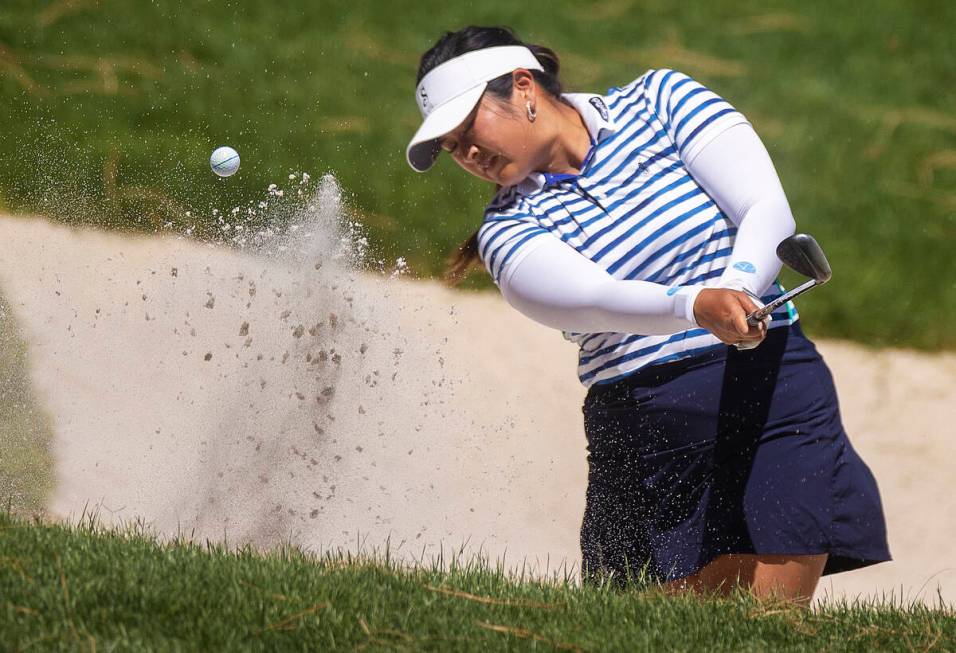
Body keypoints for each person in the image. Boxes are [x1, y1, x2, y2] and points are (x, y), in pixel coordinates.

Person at [405, 25, 890, 605]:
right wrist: (696, 305)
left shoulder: (662, 100)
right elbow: (596, 298)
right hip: (650, 425)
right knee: (649, 627)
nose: (468, 154)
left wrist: (735, 288)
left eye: (467, 130)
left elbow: (766, 208)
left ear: (524, 87)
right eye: (452, 149)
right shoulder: (505, 232)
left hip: (774, 389)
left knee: (771, 624)